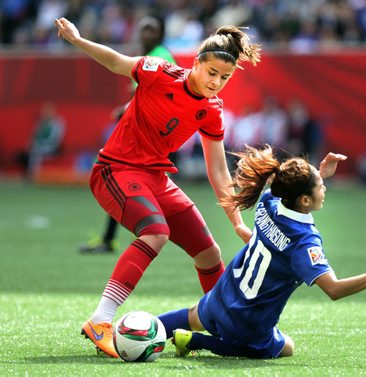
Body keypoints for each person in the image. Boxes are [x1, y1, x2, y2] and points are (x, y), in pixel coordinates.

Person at [54, 17, 260, 358]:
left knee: (209, 254)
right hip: (115, 169)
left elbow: (219, 171)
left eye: (224, 78)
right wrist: (77, 40)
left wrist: (236, 221)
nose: (216, 82)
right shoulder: (159, 72)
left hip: (156, 178)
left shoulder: (211, 111)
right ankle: (101, 320)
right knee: (155, 232)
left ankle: (227, 325)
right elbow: (115, 61)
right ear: (196, 64)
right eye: (211, 73)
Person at [157, 145, 366, 359]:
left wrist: (318, 173)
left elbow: (288, 186)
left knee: (193, 315)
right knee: (287, 347)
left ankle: (143, 327)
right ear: (304, 200)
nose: (324, 189)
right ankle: (198, 342)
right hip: (248, 322)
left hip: (222, 296)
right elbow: (334, 290)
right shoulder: (304, 242)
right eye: (320, 186)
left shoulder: (269, 200)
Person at [79, 15, 177, 254]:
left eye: (151, 29)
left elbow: (152, 95)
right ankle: (113, 238)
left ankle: (147, 234)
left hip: (149, 137)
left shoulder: (158, 56)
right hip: (148, 134)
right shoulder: (154, 55)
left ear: (161, 33)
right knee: (127, 182)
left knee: (120, 179)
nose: (146, 33)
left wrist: (123, 110)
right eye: (143, 29)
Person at [19, 102, 65, 181]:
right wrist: (30, 145)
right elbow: (34, 136)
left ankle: (33, 176)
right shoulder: (40, 122)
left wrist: (39, 146)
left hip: (52, 147)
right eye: (44, 111)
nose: (46, 113)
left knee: (35, 153)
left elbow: (55, 139)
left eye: (48, 111)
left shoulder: (58, 123)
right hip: (39, 146)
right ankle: (28, 174)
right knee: (24, 154)